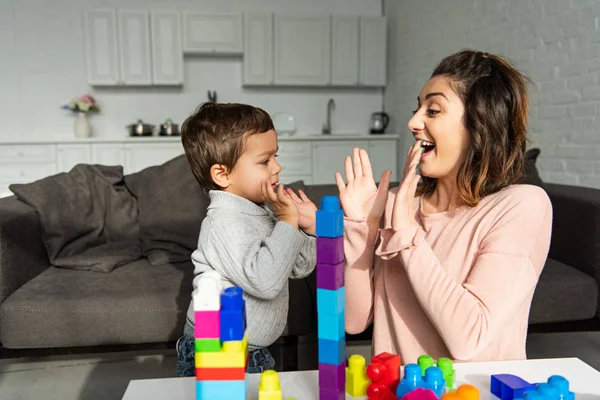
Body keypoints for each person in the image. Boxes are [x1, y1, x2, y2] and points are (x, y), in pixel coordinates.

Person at [337, 50, 552, 364]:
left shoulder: (520, 206)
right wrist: (363, 227)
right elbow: (354, 322)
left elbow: (468, 338)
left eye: (433, 110)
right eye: (417, 108)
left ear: (480, 123)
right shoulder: (400, 204)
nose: (413, 122)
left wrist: (408, 236)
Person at [176, 102, 317, 376]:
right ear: (223, 174)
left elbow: (299, 268)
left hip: (252, 350)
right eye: (265, 161)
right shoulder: (224, 222)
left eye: (275, 156)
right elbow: (265, 282)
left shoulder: (261, 210)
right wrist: (287, 223)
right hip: (216, 350)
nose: (277, 167)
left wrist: (307, 229)